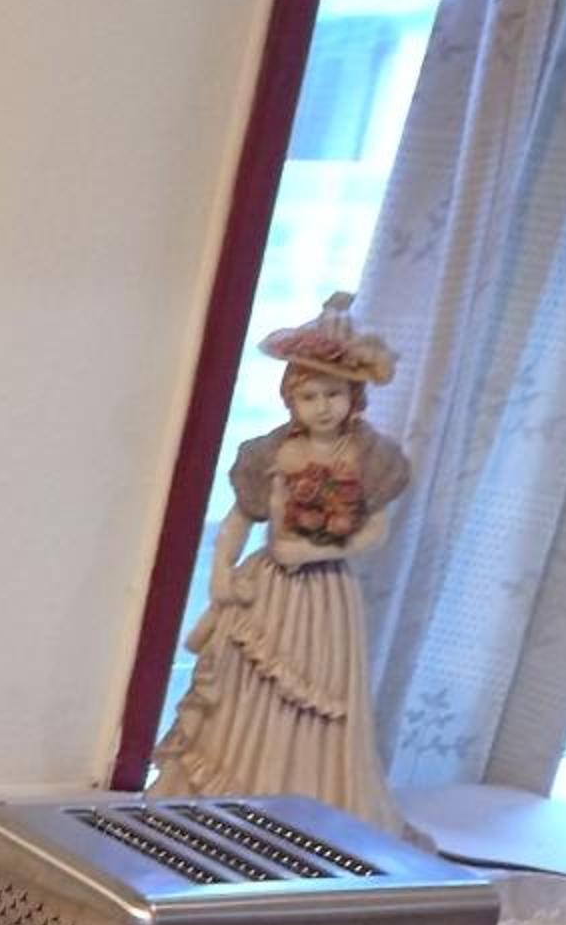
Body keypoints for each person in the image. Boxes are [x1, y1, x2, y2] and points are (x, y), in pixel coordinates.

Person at [151, 294, 413, 833]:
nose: (322, 407)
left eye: (333, 394)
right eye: (309, 395)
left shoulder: (369, 457)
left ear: (354, 397)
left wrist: (317, 551)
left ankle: (303, 799)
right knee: (247, 692)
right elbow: (238, 520)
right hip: (267, 592)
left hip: (325, 597)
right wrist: (221, 572)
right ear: (290, 398)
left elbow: (375, 531)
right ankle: (235, 787)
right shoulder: (269, 453)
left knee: (315, 700)